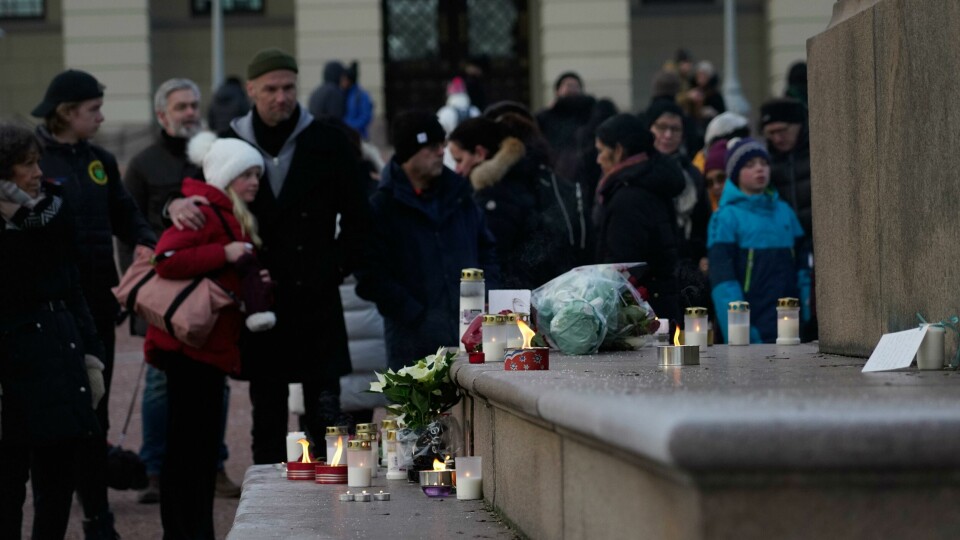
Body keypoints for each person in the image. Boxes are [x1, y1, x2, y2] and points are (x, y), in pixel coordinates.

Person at [168, 48, 372, 464]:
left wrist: (334, 266)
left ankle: (329, 512)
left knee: (325, 418)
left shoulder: (327, 140)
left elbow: (360, 217)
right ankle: (267, 511)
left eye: (289, 88)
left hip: (317, 296)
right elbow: (194, 195)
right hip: (260, 300)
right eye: (272, 89)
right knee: (268, 418)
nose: (282, 97)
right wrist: (170, 206)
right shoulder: (230, 141)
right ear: (252, 90)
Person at [33, 68, 155, 538]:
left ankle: (97, 516)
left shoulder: (99, 160)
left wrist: (146, 240)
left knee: (95, 416)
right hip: (52, 313)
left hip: (98, 309)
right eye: (93, 110)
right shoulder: (35, 160)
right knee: (56, 422)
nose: (102, 117)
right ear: (67, 113)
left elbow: (124, 211)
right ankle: (52, 517)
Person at [120, 78, 241, 504]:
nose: (190, 112)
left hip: (211, 291)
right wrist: (134, 297)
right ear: (161, 115)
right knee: (158, 384)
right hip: (162, 294)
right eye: (181, 107)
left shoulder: (211, 156)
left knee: (216, 382)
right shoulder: (142, 164)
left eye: (194, 105)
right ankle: (155, 467)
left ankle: (215, 465)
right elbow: (128, 230)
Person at [145, 133, 270, 539]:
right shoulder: (206, 210)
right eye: (245, 174)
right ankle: (186, 531)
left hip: (207, 348)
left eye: (256, 174)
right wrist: (226, 255)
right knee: (187, 453)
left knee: (195, 452)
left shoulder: (230, 213)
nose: (253, 181)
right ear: (225, 176)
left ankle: (192, 530)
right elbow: (166, 259)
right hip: (190, 350)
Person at [0, 124, 105, 540]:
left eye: (37, 161)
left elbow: (72, 287)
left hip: (58, 358)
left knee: (56, 485)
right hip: (10, 370)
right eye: (26, 164)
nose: (37, 171)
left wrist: (91, 354)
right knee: (7, 487)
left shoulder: (53, 211)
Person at [357, 110, 500, 370]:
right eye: (432, 146)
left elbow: (487, 249)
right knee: (417, 412)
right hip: (411, 347)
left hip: (469, 339)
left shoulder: (460, 195)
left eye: (442, 145)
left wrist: (487, 295)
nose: (440, 153)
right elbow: (370, 275)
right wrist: (416, 315)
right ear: (409, 153)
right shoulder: (382, 207)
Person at [448, 116, 584, 289]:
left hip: (511, 300)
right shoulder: (522, 177)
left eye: (459, 160)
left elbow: (495, 259)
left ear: (480, 154)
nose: (457, 169)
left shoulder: (495, 198)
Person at [707, 137, 806, 344]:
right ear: (735, 174)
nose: (760, 169)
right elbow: (723, 283)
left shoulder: (785, 212)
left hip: (791, 324)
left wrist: (805, 314)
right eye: (749, 165)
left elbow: (803, 269)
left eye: (764, 163)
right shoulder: (725, 217)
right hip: (753, 328)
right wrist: (741, 331)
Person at [592, 113, 685, 324]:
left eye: (601, 150)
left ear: (618, 150)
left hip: (639, 317)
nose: (598, 159)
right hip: (659, 305)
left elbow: (620, 268)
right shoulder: (647, 182)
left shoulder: (628, 197)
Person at [759, 98, 814, 339]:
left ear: (799, 125)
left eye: (782, 131)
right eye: (771, 133)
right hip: (789, 249)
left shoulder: (815, 154)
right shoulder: (766, 162)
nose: (777, 138)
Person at [535, 71, 596, 183]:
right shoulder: (545, 117)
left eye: (576, 86)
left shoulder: (589, 114)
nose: (572, 89)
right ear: (558, 90)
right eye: (568, 85)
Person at [341, 61, 374, 139]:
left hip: (359, 136)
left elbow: (366, 117)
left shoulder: (362, 95)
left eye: (344, 80)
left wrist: (349, 125)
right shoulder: (343, 93)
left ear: (349, 80)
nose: (342, 82)